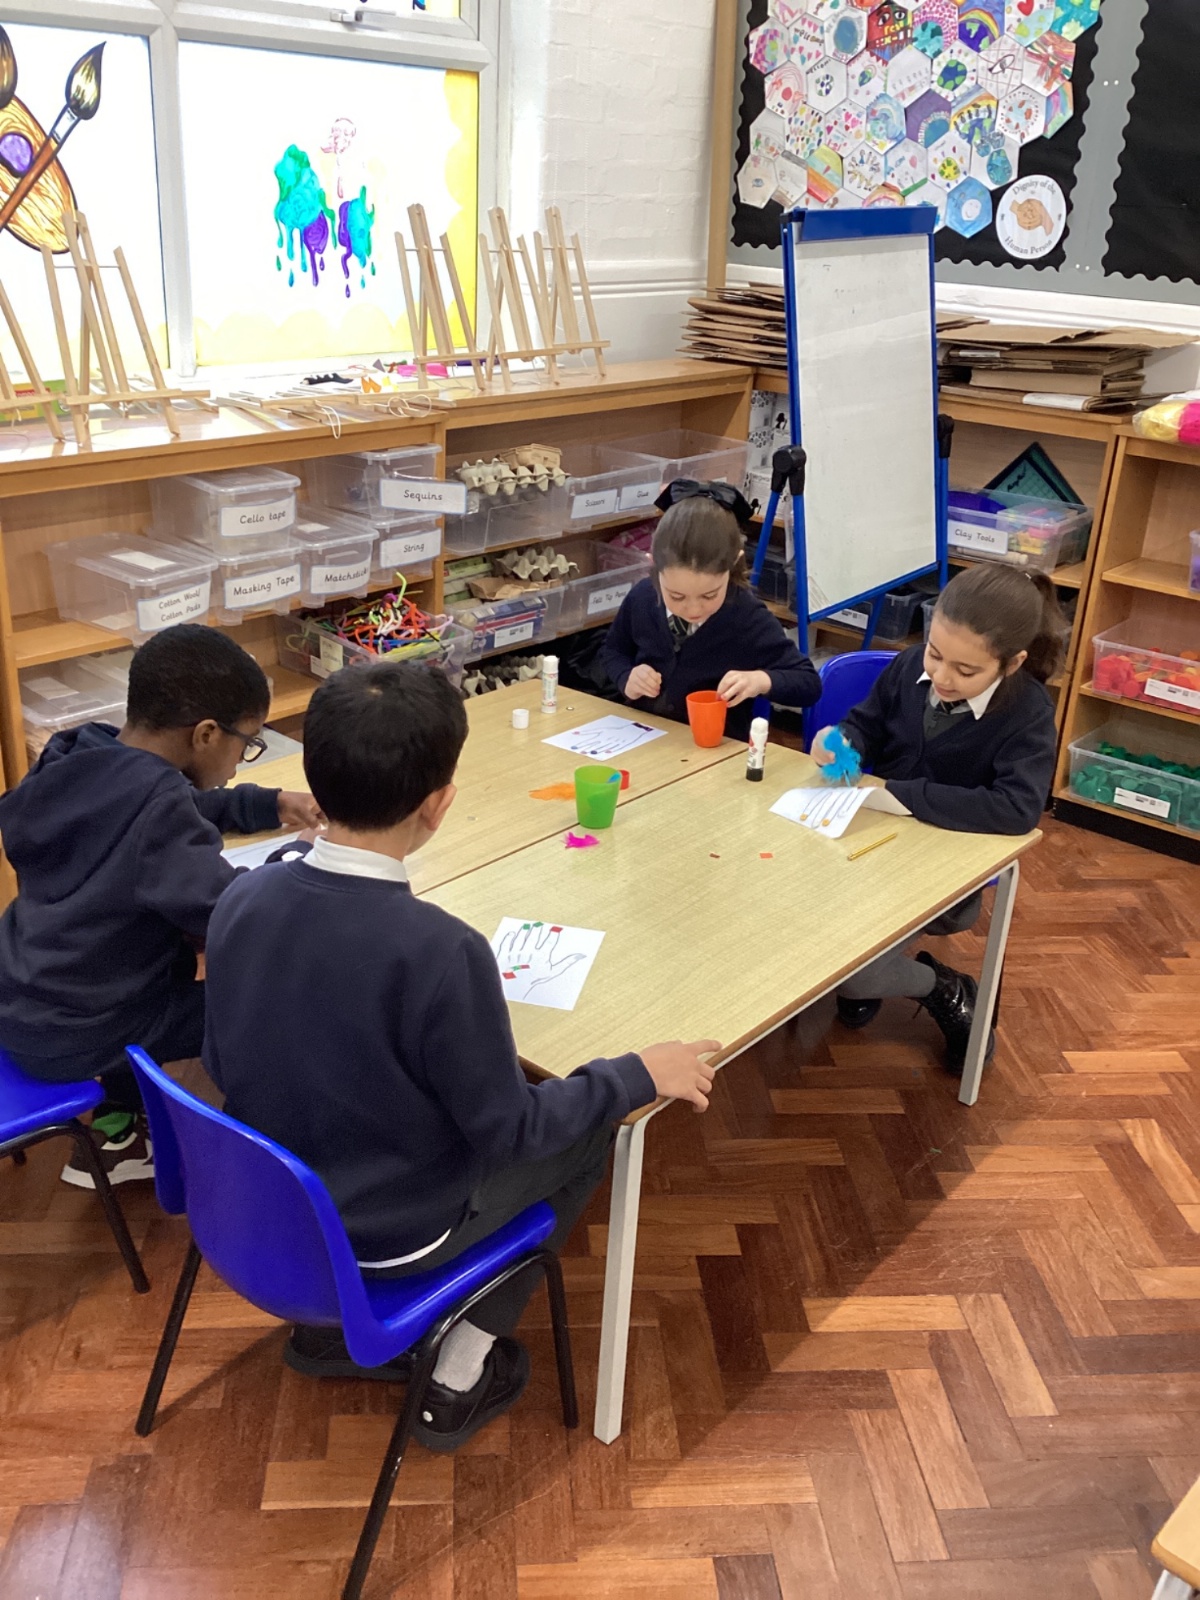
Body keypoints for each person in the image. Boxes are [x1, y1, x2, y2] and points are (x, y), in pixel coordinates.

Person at [203, 661, 719, 1452]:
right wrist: (636, 1073)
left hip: (264, 1206)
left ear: (314, 779)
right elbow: (513, 1132)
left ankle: (328, 1331)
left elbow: (223, 1057)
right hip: (390, 1233)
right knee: (594, 1131)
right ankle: (459, 1372)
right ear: (439, 805)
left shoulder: (242, 895)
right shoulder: (442, 953)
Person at [0, 624, 320, 1186]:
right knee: (276, 999)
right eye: (247, 743)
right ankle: (262, 1157)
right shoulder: (158, 812)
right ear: (206, 734)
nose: (241, 762)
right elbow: (232, 915)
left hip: (28, 999)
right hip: (87, 1031)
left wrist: (266, 803)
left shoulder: (79, 754)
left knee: (139, 962)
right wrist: (298, 856)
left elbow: (155, 801)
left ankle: (118, 1128)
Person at [812, 563, 1063, 1072]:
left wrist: (900, 794)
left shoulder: (1028, 712)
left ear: (1012, 663)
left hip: (947, 872)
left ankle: (944, 986)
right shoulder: (910, 667)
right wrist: (840, 742)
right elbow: (865, 725)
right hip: (869, 849)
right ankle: (872, 971)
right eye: (935, 653)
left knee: (853, 975)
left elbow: (1018, 808)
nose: (943, 678)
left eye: (967, 672)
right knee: (806, 930)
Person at [600, 481, 820, 740]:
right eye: (677, 596)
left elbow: (808, 683)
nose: (693, 609)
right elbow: (613, 651)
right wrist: (626, 677)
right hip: (643, 737)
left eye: (709, 595)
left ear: (733, 564)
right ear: (653, 564)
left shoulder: (747, 616)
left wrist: (760, 681)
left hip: (716, 749)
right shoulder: (642, 598)